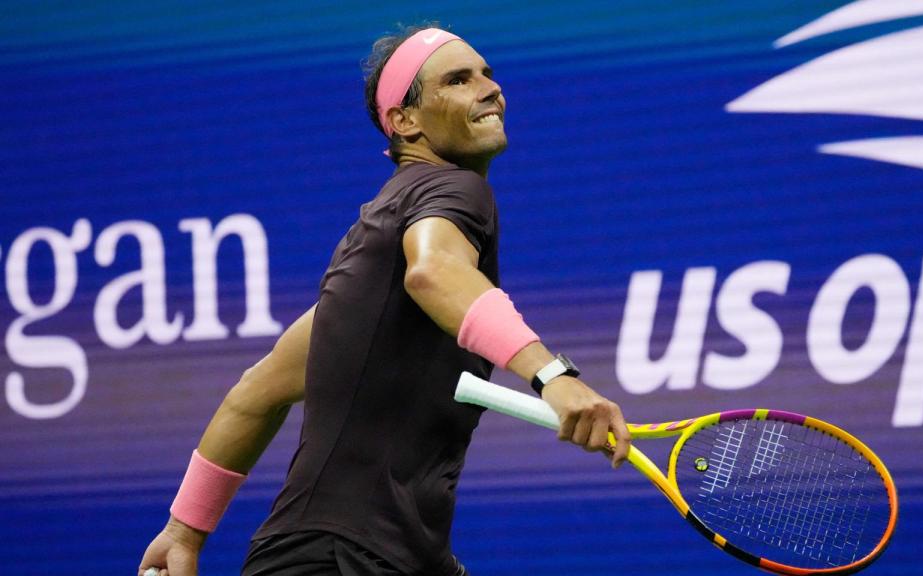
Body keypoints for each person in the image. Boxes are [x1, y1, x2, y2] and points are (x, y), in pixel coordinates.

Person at [138, 24, 632, 576]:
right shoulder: (455, 189)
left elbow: (255, 394)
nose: (491, 88)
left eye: (488, 74)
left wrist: (184, 531)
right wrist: (553, 376)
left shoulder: (371, 251)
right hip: (341, 559)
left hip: (338, 553)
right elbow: (434, 271)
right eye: (459, 79)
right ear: (405, 122)